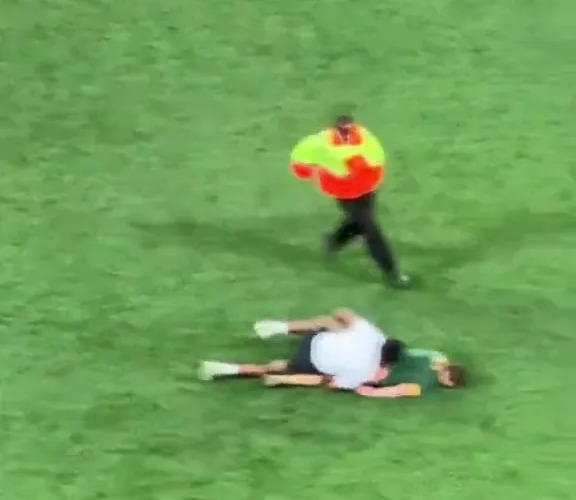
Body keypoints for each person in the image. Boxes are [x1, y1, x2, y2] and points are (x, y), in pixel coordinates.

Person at [290, 115, 410, 289]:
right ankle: (391, 272)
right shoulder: (321, 142)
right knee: (370, 228)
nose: (346, 134)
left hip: (365, 187)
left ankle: (335, 241)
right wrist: (304, 171)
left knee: (359, 222)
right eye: (342, 131)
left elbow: (376, 156)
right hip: (342, 190)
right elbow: (301, 155)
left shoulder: (363, 137)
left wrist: (357, 165)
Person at [198, 309, 408, 395]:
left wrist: (339, 326)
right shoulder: (368, 373)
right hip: (312, 363)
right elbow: (332, 384)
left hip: (317, 339)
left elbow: (343, 313)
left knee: (330, 322)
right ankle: (224, 369)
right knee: (283, 368)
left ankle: (281, 327)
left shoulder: (374, 335)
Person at [355, 348, 467, 398]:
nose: (443, 373)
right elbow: (398, 390)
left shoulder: (424, 385)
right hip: (381, 367)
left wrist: (374, 393)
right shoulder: (435, 361)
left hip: (378, 370)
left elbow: (399, 390)